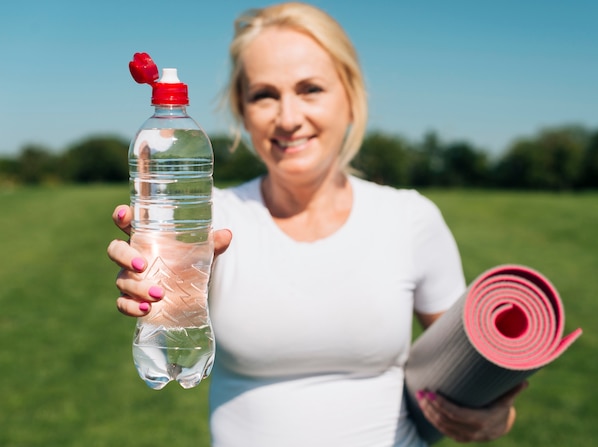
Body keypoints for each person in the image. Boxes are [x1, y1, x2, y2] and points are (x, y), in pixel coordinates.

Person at [108, 2, 526, 446]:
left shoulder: (410, 220)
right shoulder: (215, 219)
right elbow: (167, 297)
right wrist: (151, 284)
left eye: (310, 89)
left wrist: (496, 417)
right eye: (264, 95)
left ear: (351, 98)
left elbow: (463, 370)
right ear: (242, 111)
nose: (288, 118)